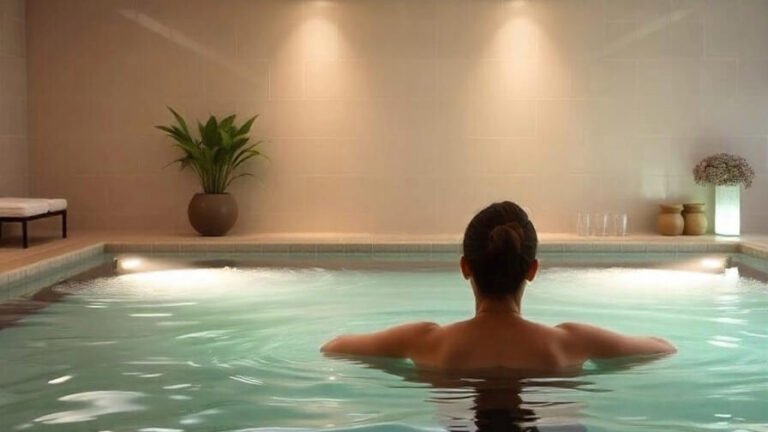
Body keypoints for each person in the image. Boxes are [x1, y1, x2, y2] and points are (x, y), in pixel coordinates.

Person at [321, 201, 676, 371]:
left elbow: (334, 347)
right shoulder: (571, 342)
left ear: (465, 267)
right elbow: (662, 347)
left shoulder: (425, 341)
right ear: (532, 270)